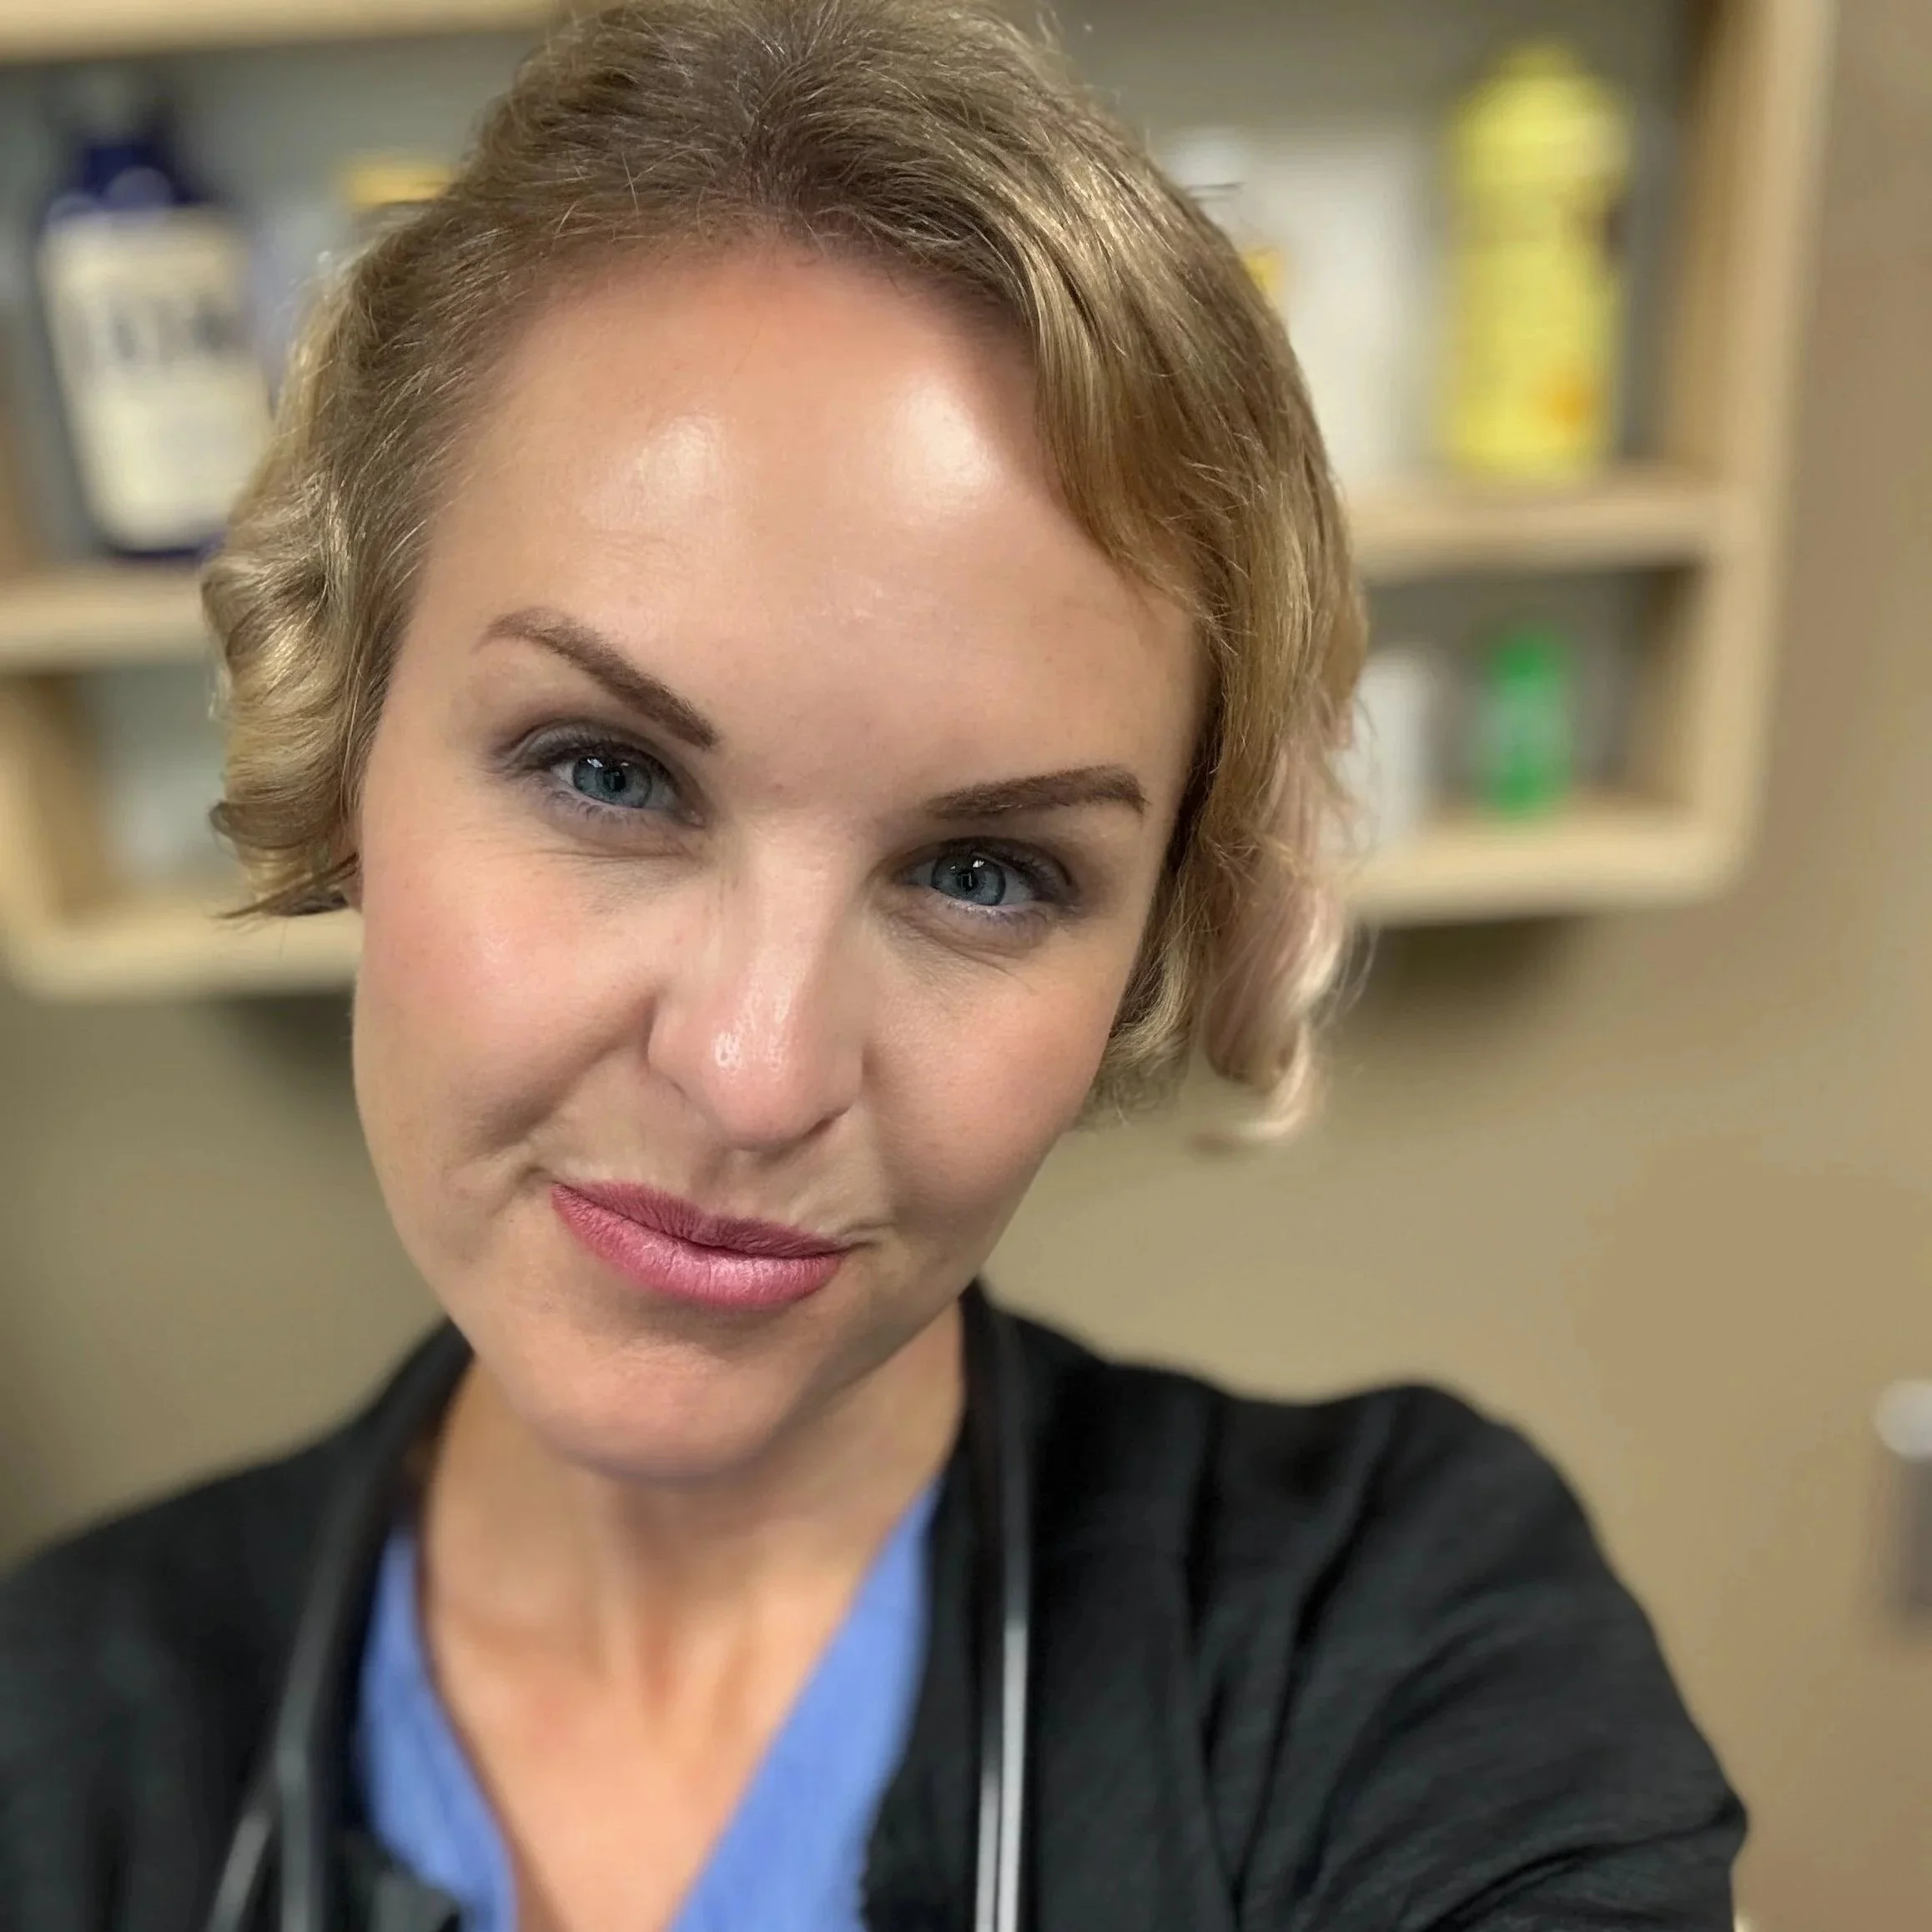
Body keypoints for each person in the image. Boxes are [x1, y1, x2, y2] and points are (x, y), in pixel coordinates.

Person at [0, 2, 1743, 1928]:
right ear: (340, 751)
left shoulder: (1394, 1644)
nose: (756, 1071)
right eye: (609, 772)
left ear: (1154, 946)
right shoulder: (52, 1735)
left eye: (985, 873)